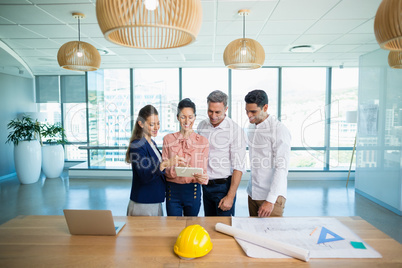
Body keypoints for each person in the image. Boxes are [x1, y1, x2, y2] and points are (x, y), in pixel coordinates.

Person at [125, 105, 186, 216]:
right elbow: (144, 175)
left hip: (155, 200)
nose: (156, 127)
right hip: (143, 202)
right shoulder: (137, 145)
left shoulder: (152, 143)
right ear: (141, 124)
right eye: (152, 124)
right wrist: (165, 164)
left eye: (158, 123)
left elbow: (157, 170)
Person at [197, 90, 246, 216]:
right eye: (210, 111)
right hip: (205, 185)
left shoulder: (235, 131)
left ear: (226, 109)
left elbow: (238, 166)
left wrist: (230, 196)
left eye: (217, 112)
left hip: (223, 187)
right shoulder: (202, 126)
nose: (213, 115)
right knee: (209, 226)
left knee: (224, 229)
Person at [244, 89, 291, 217]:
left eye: (253, 111)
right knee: (252, 235)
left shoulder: (279, 130)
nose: (249, 115)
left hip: (271, 198)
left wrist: (270, 200)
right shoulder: (251, 127)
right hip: (253, 193)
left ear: (265, 107)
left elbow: (282, 168)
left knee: (271, 236)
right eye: (247, 111)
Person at [162, 98, 209, 216]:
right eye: (183, 117)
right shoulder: (168, 139)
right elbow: (164, 168)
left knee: (191, 227)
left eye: (190, 117)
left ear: (195, 117)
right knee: (173, 227)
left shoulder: (203, 141)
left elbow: (203, 171)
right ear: (177, 117)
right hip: (172, 191)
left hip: (193, 190)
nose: (187, 120)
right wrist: (174, 167)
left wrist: (202, 177)